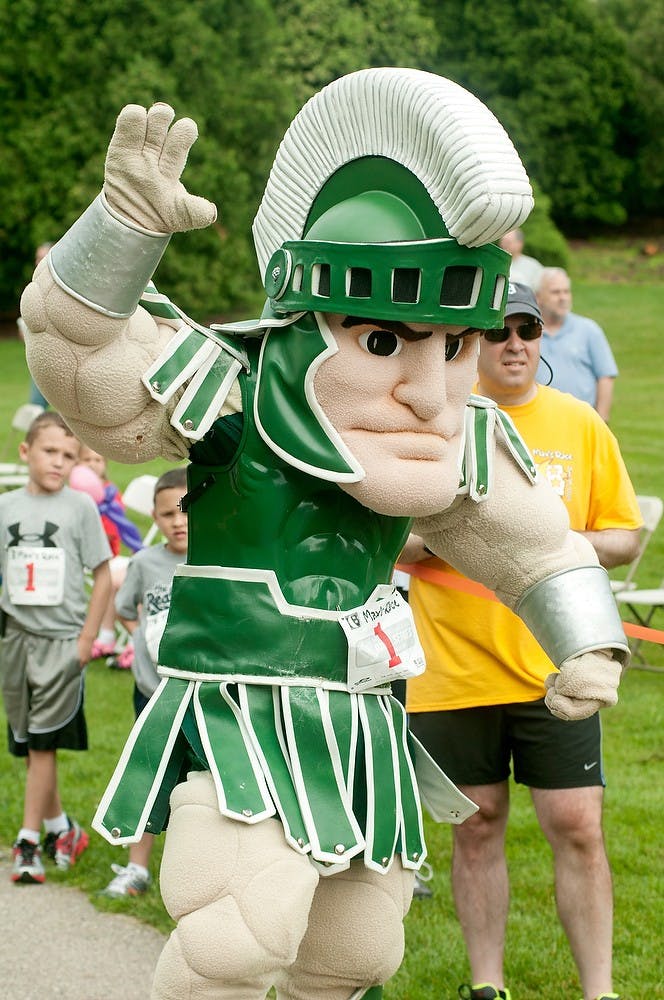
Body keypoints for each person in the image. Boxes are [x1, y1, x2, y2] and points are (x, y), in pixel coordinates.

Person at [21, 70, 629, 999]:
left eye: (453, 345)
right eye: (385, 342)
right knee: (237, 937)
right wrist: (121, 229)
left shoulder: (450, 436)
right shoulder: (231, 390)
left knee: (353, 954)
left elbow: (532, 542)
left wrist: (584, 636)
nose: (428, 385)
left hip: (363, 720)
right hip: (240, 709)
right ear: (310, 318)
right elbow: (80, 358)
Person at [405, 282, 641, 1000]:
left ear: (543, 341)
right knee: (476, 827)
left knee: (576, 825)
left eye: (526, 332)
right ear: (468, 342)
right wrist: (467, 547)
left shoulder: (577, 424)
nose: (513, 344)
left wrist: (547, 547)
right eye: (498, 332)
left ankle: (599, 989)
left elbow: (626, 536)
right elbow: (396, 539)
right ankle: (487, 985)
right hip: (452, 664)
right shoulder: (431, 429)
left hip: (558, 660)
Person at [0, 411, 112, 884]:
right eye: (50, 451)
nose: (59, 462)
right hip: (14, 641)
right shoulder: (5, 507)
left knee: (44, 743)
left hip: (62, 642)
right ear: (26, 452)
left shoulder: (80, 508)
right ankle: (60, 828)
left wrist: (88, 638)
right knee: (29, 745)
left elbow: (104, 573)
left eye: (69, 456)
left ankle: (28, 843)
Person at [100, 466, 188, 898]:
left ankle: (192, 871)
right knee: (149, 773)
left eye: (187, 510)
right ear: (154, 518)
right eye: (168, 513)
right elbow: (124, 608)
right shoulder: (145, 562)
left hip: (203, 695)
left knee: (197, 783)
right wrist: (144, 639)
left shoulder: (217, 557)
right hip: (152, 692)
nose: (179, 520)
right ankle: (137, 868)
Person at [72, 444, 143, 662]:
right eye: (87, 460)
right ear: (77, 465)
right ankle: (112, 636)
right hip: (85, 557)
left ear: (105, 465)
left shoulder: (111, 494)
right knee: (117, 576)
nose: (93, 464)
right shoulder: (75, 495)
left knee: (136, 576)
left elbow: (120, 526)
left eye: (98, 460)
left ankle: (118, 638)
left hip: (111, 556)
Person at [536, 268, 618, 421]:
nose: (563, 298)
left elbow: (605, 376)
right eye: (556, 292)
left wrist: (602, 420)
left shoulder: (588, 329)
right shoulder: (528, 333)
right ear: (539, 297)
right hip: (540, 419)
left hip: (582, 421)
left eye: (566, 292)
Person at [16, 242, 54, 409]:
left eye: (42, 257)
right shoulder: (34, 287)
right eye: (37, 258)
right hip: (42, 361)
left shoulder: (60, 289)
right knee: (36, 408)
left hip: (62, 358)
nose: (38, 262)